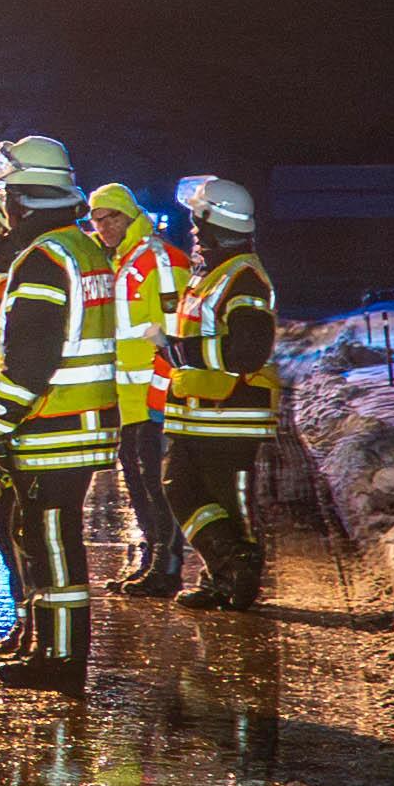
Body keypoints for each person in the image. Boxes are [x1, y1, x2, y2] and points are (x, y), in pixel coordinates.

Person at [0, 137, 120, 686]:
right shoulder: (80, 248)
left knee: (51, 541)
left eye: (4, 198)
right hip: (80, 421)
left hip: (52, 426)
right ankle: (45, 645)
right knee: (46, 538)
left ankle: (59, 660)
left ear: (23, 200)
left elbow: (31, 361)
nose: (0, 210)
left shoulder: (42, 260)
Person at [163, 174, 282, 608]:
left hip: (230, 414)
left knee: (230, 503)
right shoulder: (213, 274)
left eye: (198, 225)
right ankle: (224, 569)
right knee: (181, 489)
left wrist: (179, 351)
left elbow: (248, 351)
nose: (193, 233)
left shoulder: (243, 278)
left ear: (216, 225)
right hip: (199, 412)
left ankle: (238, 573)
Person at [96, 183, 184, 593]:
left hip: (153, 395)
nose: (100, 227)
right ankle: (154, 558)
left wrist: (162, 391)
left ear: (127, 216)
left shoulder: (157, 260)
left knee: (154, 481)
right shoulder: (124, 261)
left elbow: (174, 331)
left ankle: (167, 567)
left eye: (107, 218)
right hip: (128, 398)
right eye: (95, 220)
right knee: (137, 478)